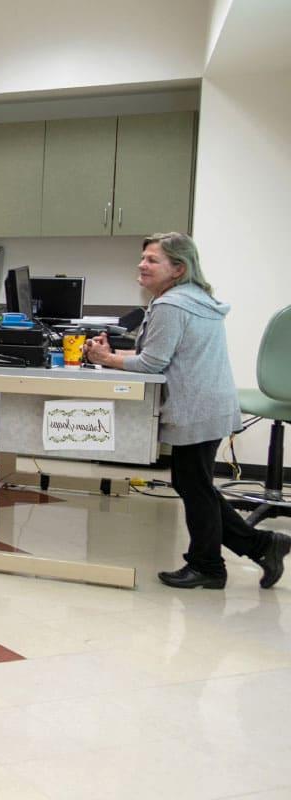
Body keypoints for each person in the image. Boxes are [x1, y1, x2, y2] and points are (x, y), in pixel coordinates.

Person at [85, 232, 289, 589]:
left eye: (152, 260)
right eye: (143, 258)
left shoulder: (171, 305)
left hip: (196, 408)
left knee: (195, 487)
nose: (142, 265)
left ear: (178, 268)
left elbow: (152, 363)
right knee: (195, 484)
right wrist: (113, 357)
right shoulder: (193, 298)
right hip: (210, 404)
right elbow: (163, 356)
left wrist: (107, 359)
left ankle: (210, 566)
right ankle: (260, 545)